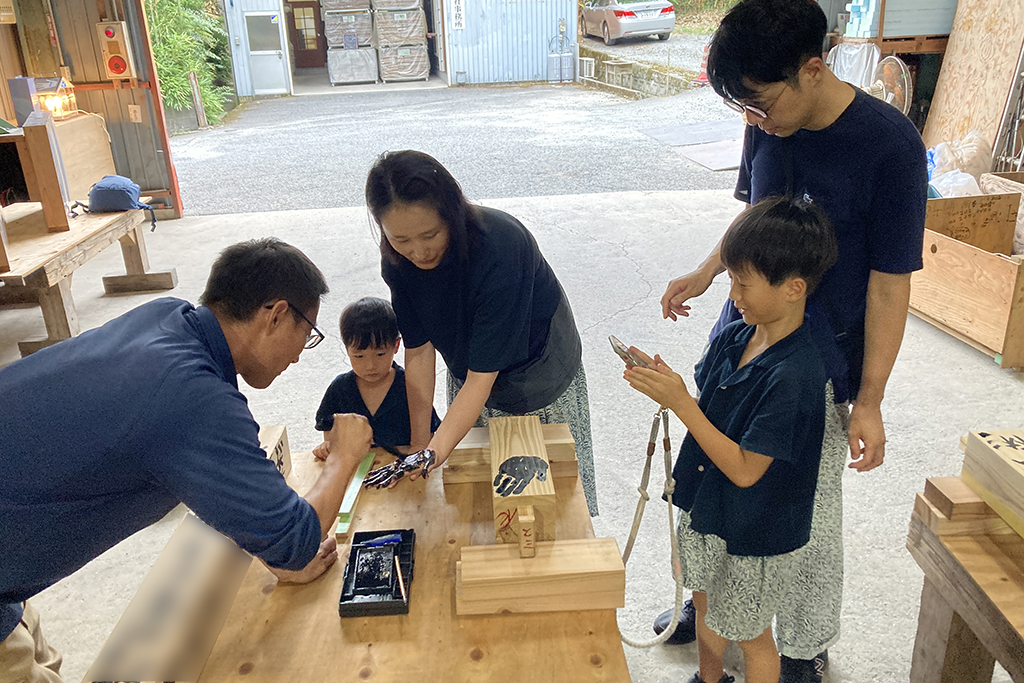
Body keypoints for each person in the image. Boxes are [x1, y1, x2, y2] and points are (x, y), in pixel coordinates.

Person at [654, 0, 928, 680]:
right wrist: (707, 269)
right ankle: (708, 600)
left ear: (813, 68)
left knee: (802, 512)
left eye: (761, 103)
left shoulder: (891, 147)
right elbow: (755, 219)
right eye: (742, 107)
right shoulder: (767, 121)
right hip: (741, 338)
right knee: (711, 473)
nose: (754, 119)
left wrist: (870, 398)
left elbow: (891, 284)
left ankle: (803, 647)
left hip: (820, 361)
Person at [0, 238, 374, 683]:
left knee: (33, 649)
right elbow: (296, 541)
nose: (299, 354)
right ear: (274, 316)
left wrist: (264, 543)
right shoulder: (191, 397)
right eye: (307, 333)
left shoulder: (164, 318)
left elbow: (203, 470)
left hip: (12, 574)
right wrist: (344, 456)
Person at [626, 197, 840, 683]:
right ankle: (709, 678)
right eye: (730, 280)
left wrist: (680, 403)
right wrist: (670, 385)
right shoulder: (736, 334)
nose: (733, 294)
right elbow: (708, 407)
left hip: (755, 530)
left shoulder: (796, 375)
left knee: (750, 633)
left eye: (743, 282)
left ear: (794, 288)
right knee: (702, 598)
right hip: (706, 503)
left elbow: (746, 469)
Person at [366, 150, 598, 515]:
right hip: (473, 368)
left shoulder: (502, 246)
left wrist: (434, 453)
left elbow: (481, 378)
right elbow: (419, 350)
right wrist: (420, 441)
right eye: (401, 239)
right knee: (484, 502)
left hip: (538, 367)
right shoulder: (397, 259)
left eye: (430, 234)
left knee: (552, 500)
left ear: (452, 211)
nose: (418, 251)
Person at [313, 296, 440, 458]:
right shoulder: (340, 388)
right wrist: (327, 446)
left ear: (396, 345)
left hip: (402, 469)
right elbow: (328, 427)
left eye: (380, 354)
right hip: (354, 470)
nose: (370, 365)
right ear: (346, 350)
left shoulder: (409, 385)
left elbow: (429, 436)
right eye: (359, 356)